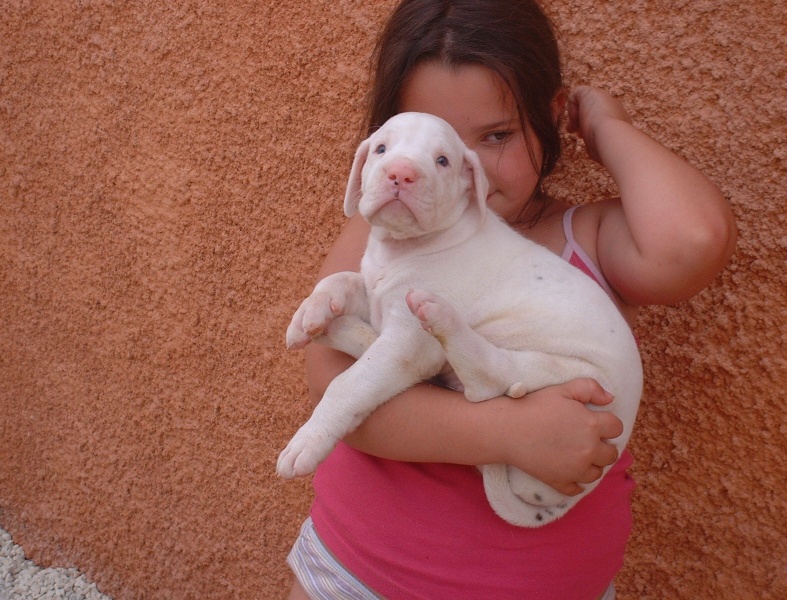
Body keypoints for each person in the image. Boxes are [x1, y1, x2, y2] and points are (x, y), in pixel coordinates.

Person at [285, 0, 737, 598]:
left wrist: (605, 129)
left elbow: (694, 240)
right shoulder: (384, 232)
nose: (462, 167)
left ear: (547, 118)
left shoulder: (588, 241)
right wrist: (508, 432)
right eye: (431, 138)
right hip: (359, 574)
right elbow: (333, 389)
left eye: (496, 136)